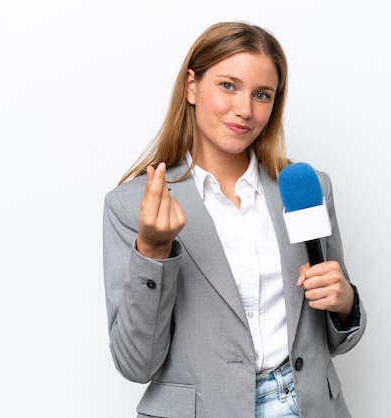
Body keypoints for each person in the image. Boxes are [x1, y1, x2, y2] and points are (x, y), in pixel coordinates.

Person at [102, 21, 367, 418]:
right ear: (191, 86)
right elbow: (136, 364)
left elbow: (336, 336)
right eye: (228, 85)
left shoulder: (304, 189)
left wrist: (345, 304)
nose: (245, 109)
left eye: (262, 94)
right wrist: (153, 251)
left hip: (309, 405)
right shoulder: (133, 207)